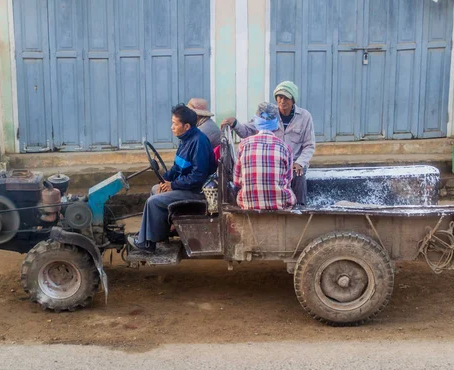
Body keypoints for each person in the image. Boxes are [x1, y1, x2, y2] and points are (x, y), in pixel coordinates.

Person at [128, 104, 217, 253]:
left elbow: (198, 177)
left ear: (186, 126)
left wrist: (173, 185)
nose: (172, 127)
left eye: (175, 124)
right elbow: (177, 167)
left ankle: (147, 243)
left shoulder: (198, 142)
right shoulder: (186, 140)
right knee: (155, 189)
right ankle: (160, 235)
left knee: (153, 202)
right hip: (188, 186)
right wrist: (164, 180)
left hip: (198, 191)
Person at [221, 81, 315, 205]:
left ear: (293, 100)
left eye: (286, 98)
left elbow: (309, 145)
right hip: (273, 161)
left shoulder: (305, 117)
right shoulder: (268, 113)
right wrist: (235, 123)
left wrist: (299, 163)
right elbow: (247, 131)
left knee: (298, 175)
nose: (282, 101)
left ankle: (301, 208)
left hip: (294, 163)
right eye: (279, 97)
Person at [233, 102, 296, 210]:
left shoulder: (243, 145)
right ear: (276, 124)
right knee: (292, 196)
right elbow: (288, 179)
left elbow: (237, 181)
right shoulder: (284, 147)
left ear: (256, 121)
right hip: (279, 205)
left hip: (248, 204)